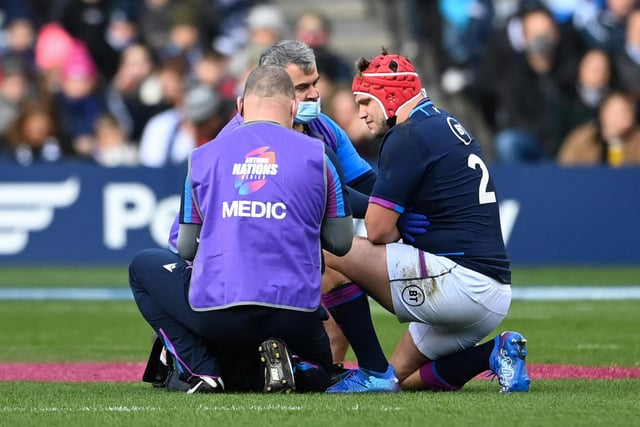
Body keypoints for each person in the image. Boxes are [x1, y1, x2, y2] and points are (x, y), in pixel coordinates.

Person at [129, 65, 354, 393]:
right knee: (321, 372)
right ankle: (297, 368)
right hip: (296, 313)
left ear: (239, 107)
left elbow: (187, 248)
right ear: (293, 107)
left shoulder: (202, 157)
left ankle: (203, 370)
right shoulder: (320, 156)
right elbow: (341, 241)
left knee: (142, 267)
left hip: (222, 310)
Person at [322, 49, 530, 394]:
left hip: (458, 283)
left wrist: (397, 225)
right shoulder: (444, 122)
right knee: (401, 381)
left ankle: (371, 370)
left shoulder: (407, 135)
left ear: (388, 96)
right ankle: (496, 352)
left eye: (364, 102)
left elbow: (377, 230)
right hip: (491, 294)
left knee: (330, 252)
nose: (361, 114)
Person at [557, 90, 640, 166]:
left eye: (628, 111)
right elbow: (565, 169)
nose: (622, 116)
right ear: (603, 112)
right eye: (617, 112)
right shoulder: (582, 138)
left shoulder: (637, 139)